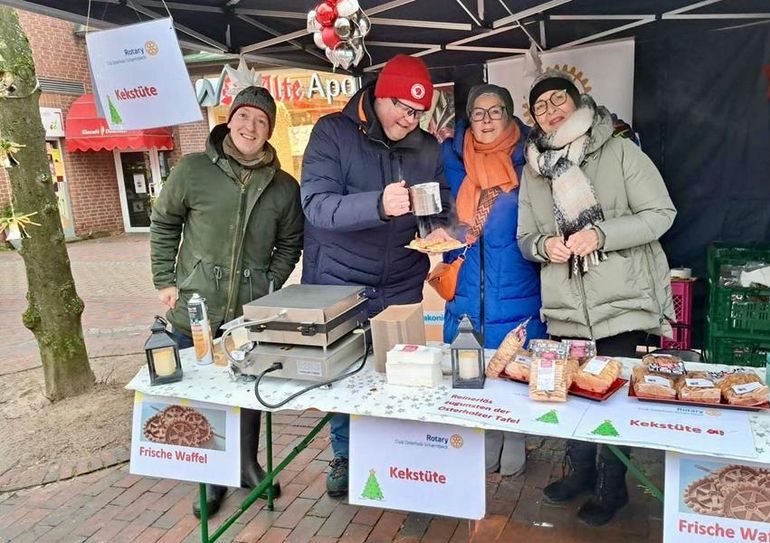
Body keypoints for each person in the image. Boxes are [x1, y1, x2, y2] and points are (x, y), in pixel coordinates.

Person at [517, 70, 676, 525]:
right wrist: (543, 246)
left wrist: (601, 234)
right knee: (572, 394)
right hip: (567, 308)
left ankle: (613, 486)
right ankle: (581, 472)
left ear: (577, 100)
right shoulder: (533, 170)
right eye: (540, 106)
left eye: (557, 100)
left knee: (612, 399)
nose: (550, 111)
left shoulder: (620, 150)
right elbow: (525, 236)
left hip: (623, 304)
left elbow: (662, 214)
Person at [300, 54, 453, 498]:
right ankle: (345, 454)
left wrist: (439, 223)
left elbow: (439, 196)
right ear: (379, 95)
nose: (410, 120)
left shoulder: (425, 146)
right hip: (340, 282)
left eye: (419, 113)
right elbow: (316, 205)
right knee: (346, 374)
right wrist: (378, 205)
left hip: (402, 279)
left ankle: (399, 452)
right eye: (403, 109)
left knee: (401, 368)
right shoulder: (333, 133)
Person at [150, 86, 304, 518]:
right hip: (195, 307)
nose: (250, 127)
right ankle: (211, 474)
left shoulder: (283, 186)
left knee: (247, 388)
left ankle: (246, 463)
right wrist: (166, 279)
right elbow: (164, 223)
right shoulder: (192, 169)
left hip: (247, 315)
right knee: (204, 394)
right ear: (229, 120)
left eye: (261, 121)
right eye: (244, 117)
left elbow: (291, 243)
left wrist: (270, 282)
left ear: (269, 130)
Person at [440, 84, 546, 476]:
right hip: (465, 279)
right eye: (478, 112)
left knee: (514, 363)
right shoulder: (449, 157)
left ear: (509, 114)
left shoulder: (531, 158)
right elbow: (435, 210)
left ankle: (514, 433)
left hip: (516, 282)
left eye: (495, 111)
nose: (486, 120)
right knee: (469, 367)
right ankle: (483, 432)